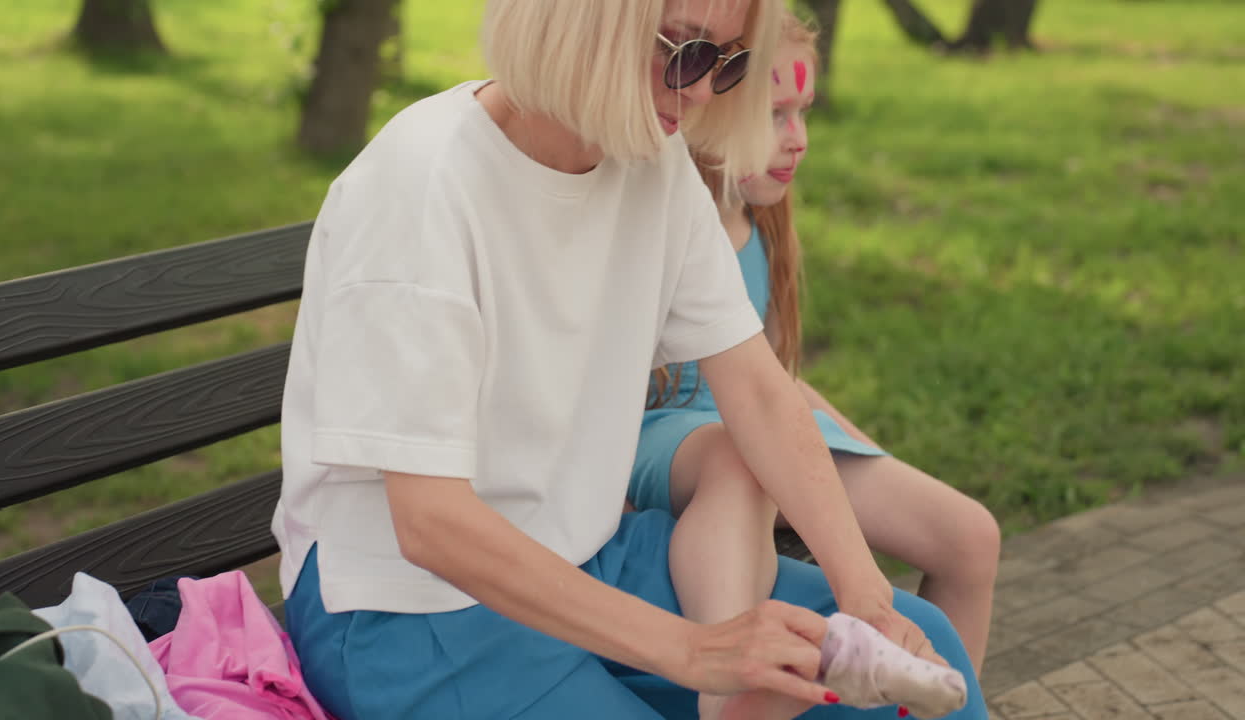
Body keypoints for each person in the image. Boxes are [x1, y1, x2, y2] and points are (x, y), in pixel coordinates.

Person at [270, 0, 989, 718]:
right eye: (682, 52)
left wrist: (865, 599)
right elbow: (429, 524)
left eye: (728, 61)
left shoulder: (653, 163)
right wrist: (692, 651)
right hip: (406, 608)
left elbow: (763, 396)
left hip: (587, 554)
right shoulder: (422, 182)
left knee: (926, 642)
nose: (704, 90)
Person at [628, 11, 1000, 676]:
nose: (797, 140)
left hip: (756, 422)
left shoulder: (761, 221)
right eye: (774, 114)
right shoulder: (648, 217)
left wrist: (856, 451)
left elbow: (771, 379)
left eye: (804, 112)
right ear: (711, 99)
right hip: (666, 440)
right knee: (738, 458)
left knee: (971, 536)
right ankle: (734, 686)